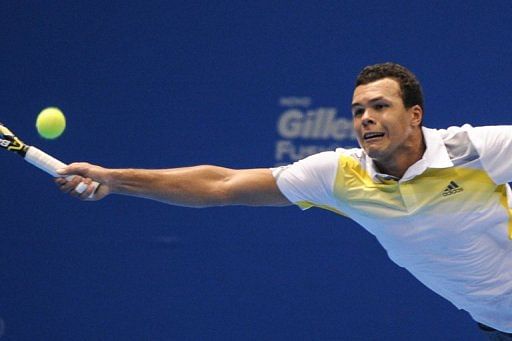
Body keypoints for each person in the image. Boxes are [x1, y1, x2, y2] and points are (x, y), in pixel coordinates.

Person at [56, 63, 512, 339]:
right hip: (496, 325)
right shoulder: (339, 174)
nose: (366, 119)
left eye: (379, 106)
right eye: (358, 111)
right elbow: (222, 185)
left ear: (415, 116)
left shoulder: (469, 150)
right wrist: (115, 180)